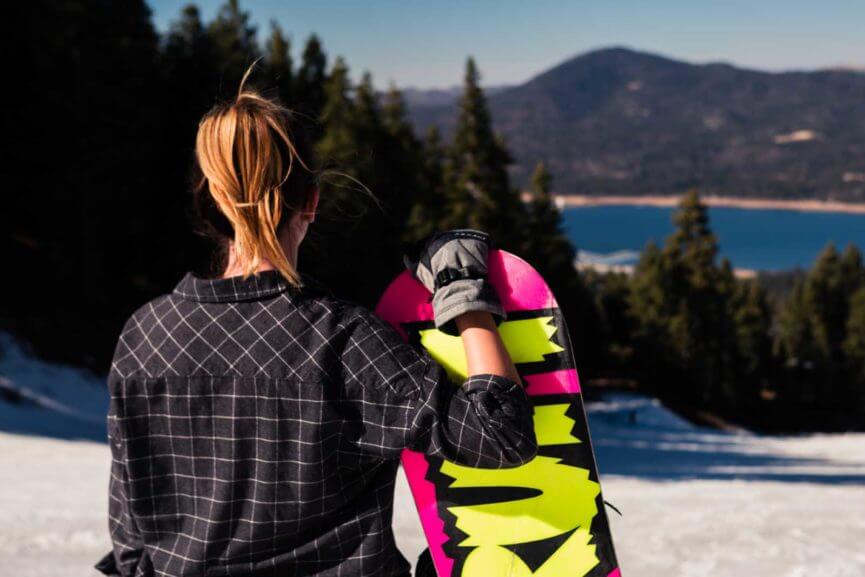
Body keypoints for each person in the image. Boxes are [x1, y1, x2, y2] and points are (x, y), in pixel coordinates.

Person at [95, 74, 537, 577]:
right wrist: (465, 294)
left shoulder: (144, 336)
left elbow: (130, 544)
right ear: (312, 201)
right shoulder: (342, 341)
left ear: (211, 198)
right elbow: (500, 438)